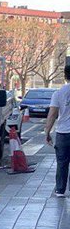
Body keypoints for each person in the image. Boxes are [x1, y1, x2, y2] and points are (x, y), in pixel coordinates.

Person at [45, 63, 70, 198]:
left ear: (65, 76)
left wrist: (47, 131)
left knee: (62, 162)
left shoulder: (58, 93)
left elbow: (52, 114)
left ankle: (60, 190)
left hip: (63, 133)